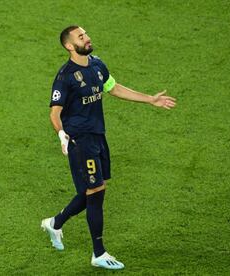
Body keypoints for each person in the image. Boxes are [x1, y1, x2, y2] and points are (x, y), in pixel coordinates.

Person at [41, 25, 176, 270]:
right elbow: (54, 112)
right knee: (96, 190)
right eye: (81, 37)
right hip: (80, 140)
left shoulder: (97, 64)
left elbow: (113, 87)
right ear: (69, 46)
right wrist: (61, 134)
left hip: (98, 137)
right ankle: (99, 253)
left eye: (86, 34)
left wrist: (150, 99)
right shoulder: (65, 76)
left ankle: (55, 223)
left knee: (90, 192)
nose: (87, 38)